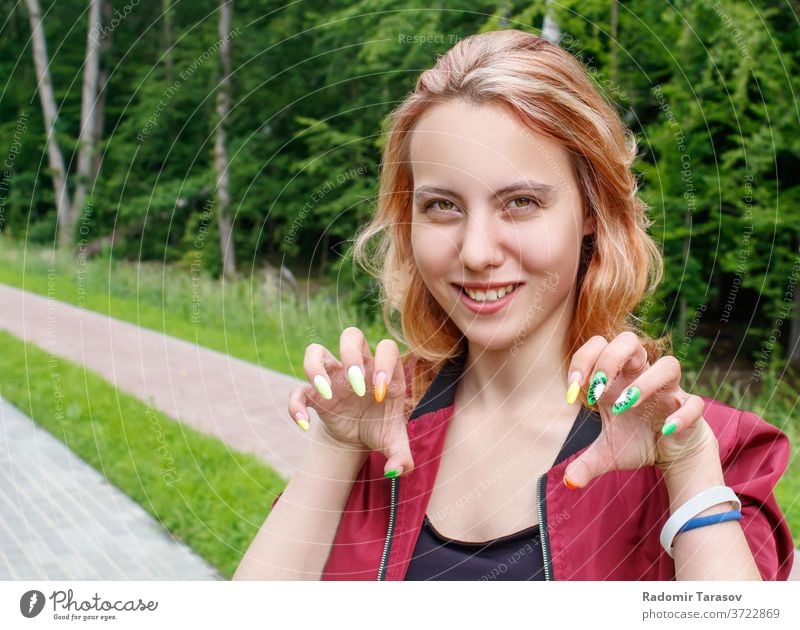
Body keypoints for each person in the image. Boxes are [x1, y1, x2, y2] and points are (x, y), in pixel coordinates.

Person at [233, 29, 794, 581]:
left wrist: (689, 468)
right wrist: (335, 450)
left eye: (521, 202)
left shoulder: (709, 448)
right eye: (443, 205)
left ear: (592, 211)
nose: (476, 252)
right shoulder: (375, 425)